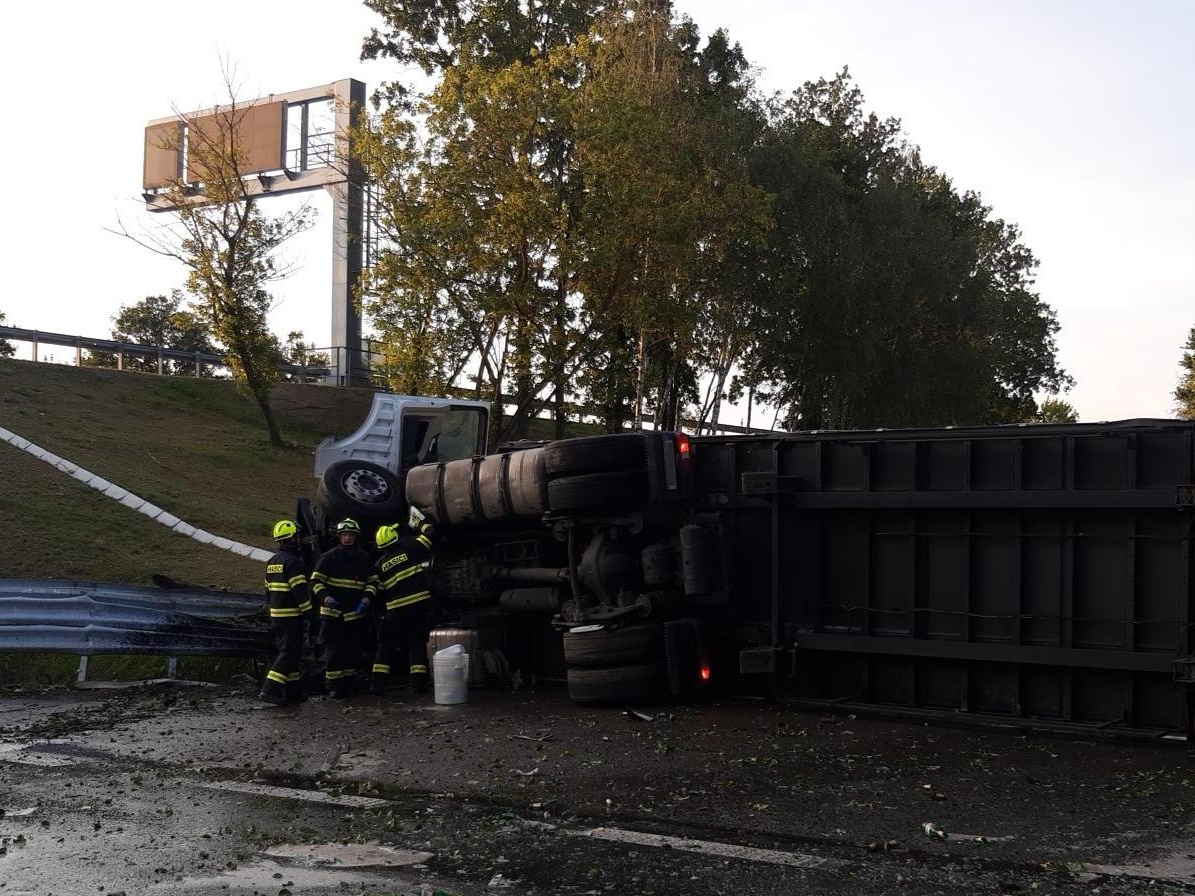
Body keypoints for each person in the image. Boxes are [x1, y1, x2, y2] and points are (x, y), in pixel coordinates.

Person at [370, 506, 436, 695]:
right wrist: (420, 523)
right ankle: (418, 684)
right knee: (417, 642)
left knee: (385, 646)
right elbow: (430, 534)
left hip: (394, 612)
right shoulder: (411, 547)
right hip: (418, 606)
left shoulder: (379, 566)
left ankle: (377, 685)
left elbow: (378, 592)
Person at [310, 518, 378, 698]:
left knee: (352, 651)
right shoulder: (329, 557)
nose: (348, 538)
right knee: (334, 652)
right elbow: (315, 581)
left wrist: (367, 597)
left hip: (354, 614)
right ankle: (334, 685)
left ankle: (349, 683)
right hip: (333, 614)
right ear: (339, 537)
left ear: (356, 537)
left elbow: (373, 582)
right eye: (345, 535)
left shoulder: (364, 559)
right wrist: (325, 597)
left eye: (351, 535)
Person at [259, 519, 312, 706]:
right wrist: (311, 616)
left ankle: (292, 692)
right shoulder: (294, 563)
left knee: (292, 653)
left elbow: (267, 590)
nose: (299, 540)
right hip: (291, 617)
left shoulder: (272, 562)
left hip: (277, 616)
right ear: (291, 539)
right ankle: (269, 690)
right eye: (296, 537)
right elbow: (300, 593)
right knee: (288, 654)